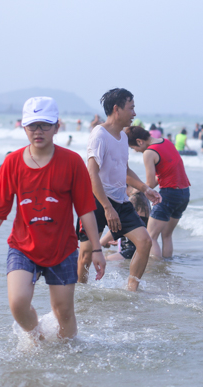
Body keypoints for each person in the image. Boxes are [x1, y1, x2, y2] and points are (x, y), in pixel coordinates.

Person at [0, 96, 106, 341]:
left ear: (57, 126)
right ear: (24, 127)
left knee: (63, 311)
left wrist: (96, 249)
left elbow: (86, 209)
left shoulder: (72, 162)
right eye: (32, 125)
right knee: (18, 304)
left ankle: (67, 353)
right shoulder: (12, 163)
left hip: (62, 248)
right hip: (23, 247)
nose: (38, 131)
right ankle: (38, 340)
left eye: (44, 124)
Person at [76, 88, 161, 291]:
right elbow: (92, 173)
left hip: (120, 201)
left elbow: (124, 169)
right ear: (117, 109)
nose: (134, 113)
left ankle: (131, 292)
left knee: (144, 242)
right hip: (95, 201)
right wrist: (106, 207)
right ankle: (80, 293)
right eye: (131, 108)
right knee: (86, 253)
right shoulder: (99, 135)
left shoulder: (123, 137)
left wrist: (144, 188)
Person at [125, 126, 190, 259]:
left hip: (168, 194)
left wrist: (134, 190)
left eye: (133, 148)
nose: (135, 151)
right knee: (166, 235)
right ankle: (166, 266)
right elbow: (157, 179)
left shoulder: (149, 152)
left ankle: (155, 270)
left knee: (150, 237)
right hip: (184, 193)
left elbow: (149, 184)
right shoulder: (166, 141)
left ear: (139, 141)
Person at [101, 188, 150, 261]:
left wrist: (98, 245)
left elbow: (119, 225)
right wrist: (118, 241)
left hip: (130, 251)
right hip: (138, 248)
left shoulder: (133, 199)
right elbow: (135, 228)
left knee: (104, 260)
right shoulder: (144, 199)